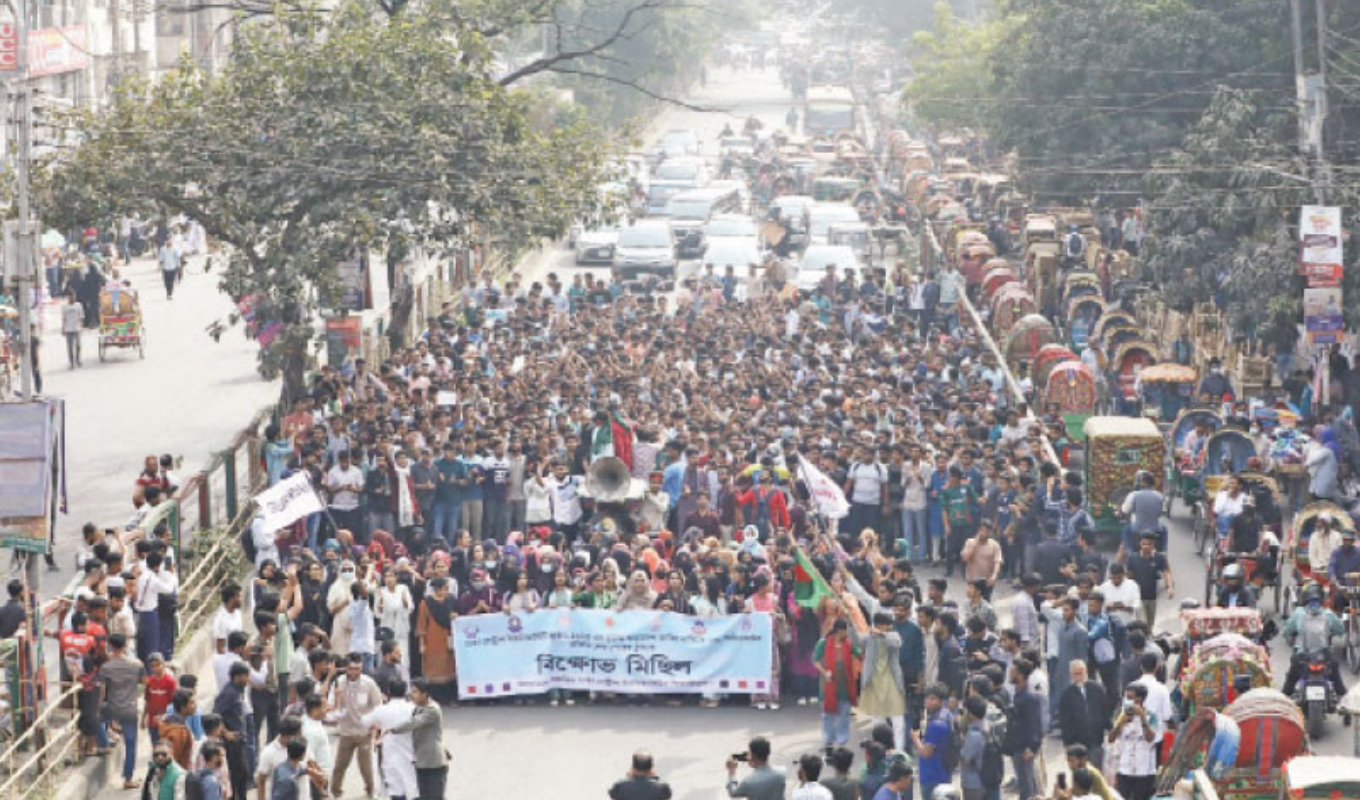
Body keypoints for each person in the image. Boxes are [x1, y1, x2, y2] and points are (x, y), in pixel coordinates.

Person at [328, 654, 380, 798]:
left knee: (366, 767)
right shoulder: (339, 682)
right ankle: (334, 792)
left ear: (361, 668)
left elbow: (378, 705)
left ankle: (371, 791)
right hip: (346, 732)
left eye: (357, 669)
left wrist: (375, 727)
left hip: (364, 732)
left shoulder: (369, 683)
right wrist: (338, 697)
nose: (354, 673)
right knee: (340, 765)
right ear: (346, 668)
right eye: (351, 669)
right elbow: (331, 706)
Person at [100, 632, 146, 788]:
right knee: (131, 745)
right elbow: (143, 682)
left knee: (96, 721)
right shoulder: (137, 665)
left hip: (112, 707)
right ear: (125, 645)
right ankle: (127, 779)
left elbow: (102, 692)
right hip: (130, 708)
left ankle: (103, 742)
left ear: (110, 646)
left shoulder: (105, 667)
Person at [361, 679, 418, 800]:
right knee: (413, 789)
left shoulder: (382, 710)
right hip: (411, 755)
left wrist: (376, 726)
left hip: (390, 756)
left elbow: (364, 722)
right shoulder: (413, 709)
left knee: (396, 791)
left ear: (388, 692)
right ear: (405, 692)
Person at [390, 679, 448, 800]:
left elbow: (414, 723)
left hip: (434, 762)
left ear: (425, 694)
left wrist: (393, 729)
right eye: (411, 691)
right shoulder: (418, 708)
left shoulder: (432, 709)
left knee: (435, 797)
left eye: (415, 692)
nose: (412, 694)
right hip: (421, 762)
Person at [814, 620, 862, 749]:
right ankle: (828, 740)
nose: (847, 633)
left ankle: (842, 740)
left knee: (844, 714)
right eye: (845, 630)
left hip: (844, 684)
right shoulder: (823, 644)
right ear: (839, 630)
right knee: (827, 714)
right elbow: (816, 661)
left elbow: (859, 654)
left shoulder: (848, 644)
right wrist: (825, 672)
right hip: (828, 683)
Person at [1108, 683, 1161, 800]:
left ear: (1140, 699)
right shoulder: (1121, 715)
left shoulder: (1151, 716)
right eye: (1126, 697)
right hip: (1124, 769)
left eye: (1130, 697)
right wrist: (1120, 722)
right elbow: (1110, 739)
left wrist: (1142, 717)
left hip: (1144, 771)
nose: (1127, 700)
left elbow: (1150, 738)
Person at [1057, 661, 1108, 770]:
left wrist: (1109, 730)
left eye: (1081, 673)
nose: (1079, 676)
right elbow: (1065, 721)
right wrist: (1067, 743)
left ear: (1086, 672)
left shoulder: (1097, 688)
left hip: (1096, 740)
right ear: (1071, 675)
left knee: (1096, 772)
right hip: (1077, 742)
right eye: (1075, 674)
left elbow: (1105, 711)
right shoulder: (1067, 695)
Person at [911, 684, 952, 800]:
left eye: (932, 699)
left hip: (932, 777)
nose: (927, 701)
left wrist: (915, 739)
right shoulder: (946, 714)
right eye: (927, 698)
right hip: (944, 772)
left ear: (941, 701)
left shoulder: (936, 725)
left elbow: (925, 753)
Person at [959, 696, 988, 800]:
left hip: (973, 783)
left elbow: (965, 759)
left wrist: (959, 746)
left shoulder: (973, 735)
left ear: (971, 714)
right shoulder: (986, 725)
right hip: (985, 779)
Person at [62, 292, 83, 368]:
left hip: (77, 328)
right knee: (70, 347)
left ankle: (78, 359)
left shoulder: (78, 305)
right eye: (70, 297)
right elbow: (64, 318)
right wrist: (63, 328)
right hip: (68, 329)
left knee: (78, 345)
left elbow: (81, 316)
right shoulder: (64, 307)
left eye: (73, 297)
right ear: (68, 297)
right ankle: (71, 362)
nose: (72, 298)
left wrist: (81, 326)